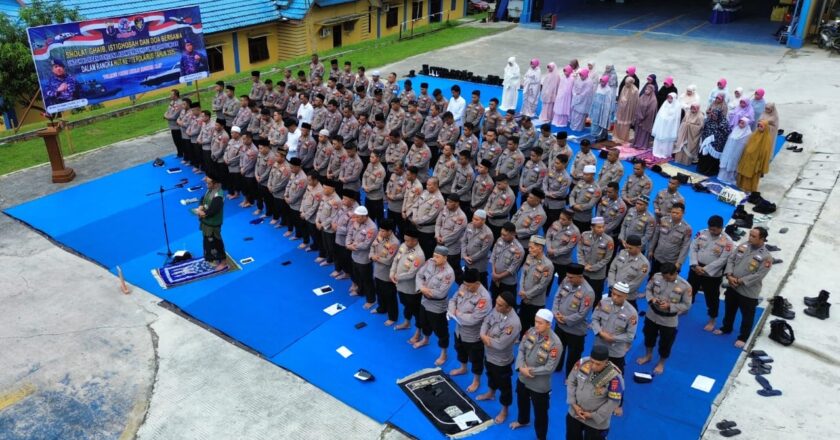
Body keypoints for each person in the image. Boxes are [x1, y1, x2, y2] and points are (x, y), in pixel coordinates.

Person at [714, 227, 773, 348]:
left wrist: (740, 281)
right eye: (750, 235)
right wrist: (729, 275)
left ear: (762, 239)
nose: (750, 238)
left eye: (753, 236)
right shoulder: (743, 246)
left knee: (747, 315)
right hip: (732, 285)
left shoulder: (766, 257)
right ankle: (726, 328)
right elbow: (731, 259)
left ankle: (743, 337)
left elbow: (759, 275)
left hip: (748, 291)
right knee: (729, 309)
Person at [509, 309, 562, 440]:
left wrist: (529, 371)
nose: (536, 325)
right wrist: (521, 367)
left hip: (539, 385)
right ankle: (523, 420)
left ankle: (541, 437)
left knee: (541, 413)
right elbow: (521, 349)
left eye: (540, 323)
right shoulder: (531, 331)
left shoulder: (555, 343)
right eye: (535, 322)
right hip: (523, 377)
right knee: (522, 401)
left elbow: (550, 367)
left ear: (549, 324)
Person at [637, 262, 691, 374]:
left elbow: (686, 305)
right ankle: (648, 356)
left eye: (668, 277)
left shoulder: (685, 286)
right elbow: (648, 289)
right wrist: (652, 299)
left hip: (668, 320)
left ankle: (661, 363)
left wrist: (670, 306)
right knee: (649, 336)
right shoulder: (657, 276)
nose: (666, 279)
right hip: (652, 314)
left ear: (675, 273)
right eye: (664, 277)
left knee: (666, 343)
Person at [477, 290, 522, 424]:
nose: (496, 306)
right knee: (490, 375)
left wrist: (485, 339)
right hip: (489, 354)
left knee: (504, 386)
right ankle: (490, 393)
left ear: (508, 307)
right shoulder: (498, 309)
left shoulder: (513, 323)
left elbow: (501, 344)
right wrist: (483, 334)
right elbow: (486, 321)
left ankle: (504, 410)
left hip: (501, 360)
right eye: (496, 302)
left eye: (500, 305)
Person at [565, 345, 625, 440]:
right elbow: (571, 381)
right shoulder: (582, 363)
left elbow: (613, 401)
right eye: (592, 361)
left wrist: (593, 415)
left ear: (606, 363)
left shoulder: (614, 376)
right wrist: (573, 403)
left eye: (598, 364)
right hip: (575, 413)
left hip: (597, 423)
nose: (593, 366)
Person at [448, 268, 493, 392]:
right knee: (460, 349)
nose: (466, 288)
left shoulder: (484, 298)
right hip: (459, 330)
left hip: (473, 335)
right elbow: (453, 300)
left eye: (470, 286)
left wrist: (457, 314)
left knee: (476, 359)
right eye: (465, 285)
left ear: (477, 284)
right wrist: (452, 311)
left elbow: (473, 319)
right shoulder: (464, 285)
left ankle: (476, 380)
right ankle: (463, 368)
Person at [689, 215, 733, 332]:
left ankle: (712, 318)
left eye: (714, 229)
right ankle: (685, 306)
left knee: (712, 297)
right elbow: (693, 248)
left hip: (712, 273)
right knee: (689, 290)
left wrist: (705, 269)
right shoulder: (701, 233)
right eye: (710, 228)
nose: (711, 231)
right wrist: (694, 264)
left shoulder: (728, 241)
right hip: (696, 267)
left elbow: (723, 259)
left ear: (721, 228)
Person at [414, 245, 456, 366]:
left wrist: (425, 290)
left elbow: (440, 292)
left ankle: (444, 353)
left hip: (437, 306)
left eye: (437, 256)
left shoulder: (449, 273)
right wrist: (422, 288)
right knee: (424, 322)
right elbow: (419, 275)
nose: (434, 258)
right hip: (424, 300)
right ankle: (426, 339)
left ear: (445, 258)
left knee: (440, 330)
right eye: (434, 255)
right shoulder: (430, 262)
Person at [552, 263, 595, 376]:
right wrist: (555, 313)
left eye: (571, 277)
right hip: (560, 325)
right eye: (567, 276)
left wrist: (565, 319)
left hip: (576, 330)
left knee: (573, 355)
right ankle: (557, 367)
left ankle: (570, 376)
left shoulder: (588, 292)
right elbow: (557, 297)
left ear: (580, 277)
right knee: (558, 348)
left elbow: (582, 314)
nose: (568, 279)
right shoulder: (566, 281)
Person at [517, 235, 554, 335]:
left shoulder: (547, 265)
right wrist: (521, 289)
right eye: (529, 247)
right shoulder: (529, 257)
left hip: (536, 302)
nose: (529, 250)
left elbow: (542, 286)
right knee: (522, 322)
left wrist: (527, 294)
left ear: (540, 248)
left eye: (532, 247)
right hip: (524, 298)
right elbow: (523, 274)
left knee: (535, 326)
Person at [392, 227, 426, 333]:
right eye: (405, 239)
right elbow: (396, 260)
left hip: (411, 290)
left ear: (415, 240)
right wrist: (392, 272)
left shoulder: (419, 255)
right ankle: (407, 322)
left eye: (408, 240)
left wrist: (397, 277)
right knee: (406, 305)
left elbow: (411, 274)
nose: (405, 242)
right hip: (400, 286)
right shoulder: (403, 246)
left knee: (416, 311)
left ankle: (418, 331)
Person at [370, 218, 401, 324]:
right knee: (379, 292)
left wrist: (376, 258)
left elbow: (388, 260)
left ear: (390, 231)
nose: (381, 232)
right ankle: (381, 308)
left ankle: (392, 317)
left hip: (387, 274)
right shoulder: (380, 236)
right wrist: (372, 256)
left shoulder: (395, 243)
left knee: (390, 296)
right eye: (380, 230)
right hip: (377, 271)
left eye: (383, 231)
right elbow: (373, 247)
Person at [607, 235, 650, 311]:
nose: (627, 249)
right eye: (627, 247)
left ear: (639, 248)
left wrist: (620, 290)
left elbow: (637, 282)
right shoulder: (622, 253)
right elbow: (612, 269)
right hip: (613, 290)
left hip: (627, 297)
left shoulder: (644, 264)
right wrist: (612, 284)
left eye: (630, 248)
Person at [194, 174, 227, 270]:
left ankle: (223, 261)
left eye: (208, 183)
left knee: (216, 241)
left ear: (215, 184)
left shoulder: (218, 196)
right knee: (207, 241)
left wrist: (202, 213)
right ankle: (211, 257)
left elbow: (213, 211)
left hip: (213, 223)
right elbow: (203, 198)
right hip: (206, 222)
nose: (206, 184)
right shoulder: (210, 189)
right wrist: (200, 206)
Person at [578, 217, 614, 304]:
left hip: (598, 274)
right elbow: (580, 251)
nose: (602, 229)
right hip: (584, 271)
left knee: (596, 296)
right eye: (599, 227)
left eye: (603, 227)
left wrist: (593, 267)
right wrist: (583, 264)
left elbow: (607, 258)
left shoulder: (608, 240)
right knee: (582, 294)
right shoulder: (584, 235)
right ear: (592, 227)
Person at [436, 194, 468, 283]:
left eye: (450, 202)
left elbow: (455, 234)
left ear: (457, 204)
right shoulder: (445, 209)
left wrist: (443, 240)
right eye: (447, 201)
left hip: (452, 248)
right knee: (440, 267)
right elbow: (438, 224)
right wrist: (437, 235)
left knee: (455, 269)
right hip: (440, 243)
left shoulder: (461, 217)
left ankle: (462, 285)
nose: (447, 203)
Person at [736, 120, 774, 193]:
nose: (759, 128)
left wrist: (760, 163)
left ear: (765, 128)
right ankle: (741, 186)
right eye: (758, 126)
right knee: (744, 172)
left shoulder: (766, 139)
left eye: (761, 126)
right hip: (748, 158)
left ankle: (749, 188)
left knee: (752, 175)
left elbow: (765, 152)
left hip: (756, 161)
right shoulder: (754, 134)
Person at [411, 177, 445, 258]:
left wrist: (417, 221)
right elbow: (415, 205)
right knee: (418, 250)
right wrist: (414, 218)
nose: (427, 186)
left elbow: (431, 217)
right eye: (427, 184)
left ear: (436, 186)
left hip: (427, 230)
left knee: (426, 252)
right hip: (418, 226)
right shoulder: (425, 192)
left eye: (430, 185)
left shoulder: (439, 200)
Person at [545, 209, 580, 286]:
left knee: (562, 284)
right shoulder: (555, 224)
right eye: (560, 218)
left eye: (563, 219)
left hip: (563, 262)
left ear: (570, 220)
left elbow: (569, 248)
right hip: (549, 259)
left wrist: (554, 252)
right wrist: (548, 248)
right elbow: (548, 237)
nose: (560, 221)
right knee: (546, 281)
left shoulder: (575, 232)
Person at [717, 117, 753, 185]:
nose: (740, 124)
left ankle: (729, 178)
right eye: (740, 122)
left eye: (743, 123)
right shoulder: (735, 129)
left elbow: (745, 144)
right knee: (725, 162)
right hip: (729, 150)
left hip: (737, 152)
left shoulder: (748, 133)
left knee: (732, 163)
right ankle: (721, 176)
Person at [696, 108, 731, 176]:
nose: (713, 117)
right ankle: (702, 169)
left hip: (716, 144)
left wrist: (714, 138)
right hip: (706, 142)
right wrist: (707, 139)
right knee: (704, 155)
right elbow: (705, 129)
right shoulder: (709, 121)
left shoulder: (723, 123)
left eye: (715, 115)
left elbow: (725, 134)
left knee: (712, 158)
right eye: (712, 115)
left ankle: (710, 171)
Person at [542, 154, 571, 230]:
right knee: (544, 221)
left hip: (556, 206)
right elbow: (545, 182)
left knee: (554, 225)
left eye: (557, 163)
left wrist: (549, 194)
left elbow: (561, 192)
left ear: (564, 164)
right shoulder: (551, 171)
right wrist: (546, 192)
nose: (555, 164)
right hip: (546, 202)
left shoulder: (566, 178)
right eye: (555, 162)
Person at [569, 165, 600, 232]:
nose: (584, 176)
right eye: (584, 174)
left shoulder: (596, 189)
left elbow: (591, 205)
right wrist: (573, 204)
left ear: (593, 175)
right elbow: (572, 195)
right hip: (572, 214)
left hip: (583, 218)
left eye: (587, 175)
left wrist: (579, 207)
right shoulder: (580, 182)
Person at [485, 174, 516, 240]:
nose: (497, 185)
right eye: (497, 184)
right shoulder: (497, 186)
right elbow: (490, 198)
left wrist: (492, 213)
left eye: (499, 184)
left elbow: (505, 210)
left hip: (499, 223)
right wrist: (486, 209)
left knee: (494, 239)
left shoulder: (510, 195)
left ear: (505, 183)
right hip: (489, 218)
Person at [651, 93, 681, 158]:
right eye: (668, 97)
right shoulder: (665, 103)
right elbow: (660, 113)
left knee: (666, 140)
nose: (669, 99)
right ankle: (657, 151)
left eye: (671, 98)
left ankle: (665, 153)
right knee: (659, 137)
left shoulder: (677, 106)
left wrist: (668, 120)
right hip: (662, 124)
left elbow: (676, 118)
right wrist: (663, 119)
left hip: (670, 126)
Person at [589, 75, 614, 141]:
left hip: (602, 110)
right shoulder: (598, 87)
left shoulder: (608, 90)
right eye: (601, 81)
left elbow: (608, 103)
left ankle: (599, 136)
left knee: (600, 122)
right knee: (594, 121)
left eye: (603, 81)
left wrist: (604, 111)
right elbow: (595, 97)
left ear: (606, 82)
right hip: (596, 108)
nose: (601, 83)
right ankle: (594, 134)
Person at [613, 77, 639, 143]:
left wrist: (627, 102)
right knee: (618, 121)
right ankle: (617, 135)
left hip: (628, 109)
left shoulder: (635, 90)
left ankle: (623, 138)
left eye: (627, 83)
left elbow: (635, 102)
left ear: (631, 83)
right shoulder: (624, 87)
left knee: (625, 123)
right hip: (621, 108)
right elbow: (621, 96)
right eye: (625, 83)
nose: (626, 84)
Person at [632, 84, 658, 149]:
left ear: (651, 91)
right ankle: (636, 143)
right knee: (638, 131)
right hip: (639, 117)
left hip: (646, 119)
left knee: (644, 132)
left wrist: (643, 117)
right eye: (646, 89)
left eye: (648, 90)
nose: (646, 91)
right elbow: (637, 106)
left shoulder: (653, 100)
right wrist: (639, 115)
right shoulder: (642, 96)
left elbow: (651, 111)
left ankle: (642, 145)